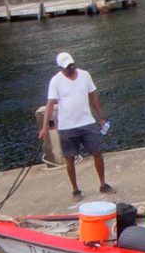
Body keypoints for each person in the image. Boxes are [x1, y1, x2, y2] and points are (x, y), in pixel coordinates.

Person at [42, 51, 110, 196]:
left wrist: (101, 117)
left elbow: (94, 98)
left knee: (97, 152)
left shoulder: (85, 75)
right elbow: (50, 104)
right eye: (67, 67)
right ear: (61, 68)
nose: (71, 68)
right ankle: (75, 189)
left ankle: (103, 183)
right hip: (67, 126)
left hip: (87, 122)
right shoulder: (55, 81)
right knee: (70, 158)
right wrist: (44, 127)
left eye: (72, 65)